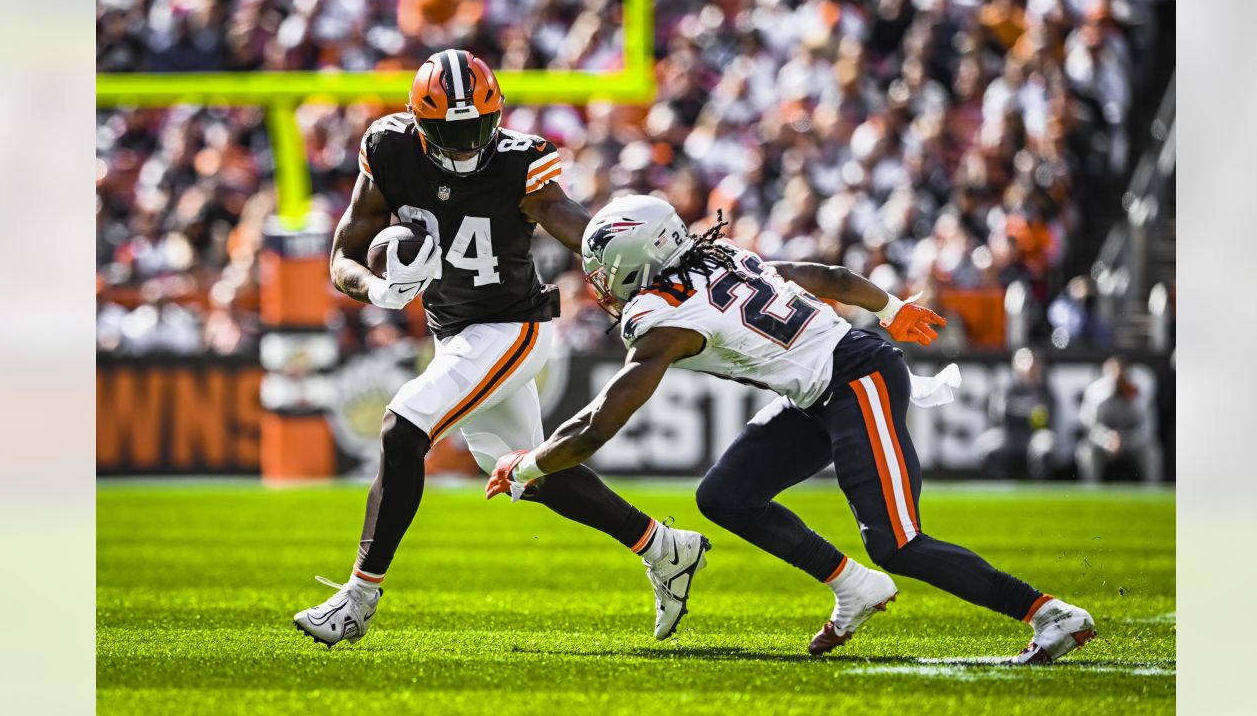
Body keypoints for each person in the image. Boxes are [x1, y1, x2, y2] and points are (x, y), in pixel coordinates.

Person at [487, 195, 1096, 663]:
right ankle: (854, 587)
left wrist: (532, 464)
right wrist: (893, 309)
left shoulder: (662, 316)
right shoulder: (721, 255)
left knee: (898, 543)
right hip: (822, 389)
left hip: (857, 380)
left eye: (603, 268)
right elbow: (826, 276)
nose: (598, 281)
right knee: (724, 496)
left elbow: (600, 424)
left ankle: (1048, 612)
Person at [294, 51, 707, 648]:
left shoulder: (522, 162)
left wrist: (641, 260)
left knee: (401, 427)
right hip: (455, 332)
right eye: (448, 131)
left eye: (476, 129)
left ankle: (358, 598)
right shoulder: (387, 147)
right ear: (416, 122)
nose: (464, 145)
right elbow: (344, 257)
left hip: (513, 327)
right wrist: (379, 288)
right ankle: (665, 547)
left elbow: (572, 223)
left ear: (498, 116)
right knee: (527, 472)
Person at [975, 347, 1057, 480]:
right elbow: (1002, 415)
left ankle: (1040, 491)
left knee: (1044, 447)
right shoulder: (1006, 390)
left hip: (1034, 435)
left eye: (1033, 363)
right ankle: (999, 490)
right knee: (988, 445)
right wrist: (1029, 413)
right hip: (1009, 434)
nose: (1029, 367)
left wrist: (1018, 412)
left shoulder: (1045, 391)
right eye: (1024, 362)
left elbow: (1045, 418)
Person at [1076, 357, 1162, 483]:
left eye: (1121, 374)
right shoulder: (1095, 394)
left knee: (1152, 451)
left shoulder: (1138, 395)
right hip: (1103, 444)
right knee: (1086, 450)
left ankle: (1153, 493)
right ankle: (1091, 492)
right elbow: (1089, 427)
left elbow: (1146, 430)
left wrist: (1123, 439)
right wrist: (1107, 439)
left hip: (1131, 443)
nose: (1117, 379)